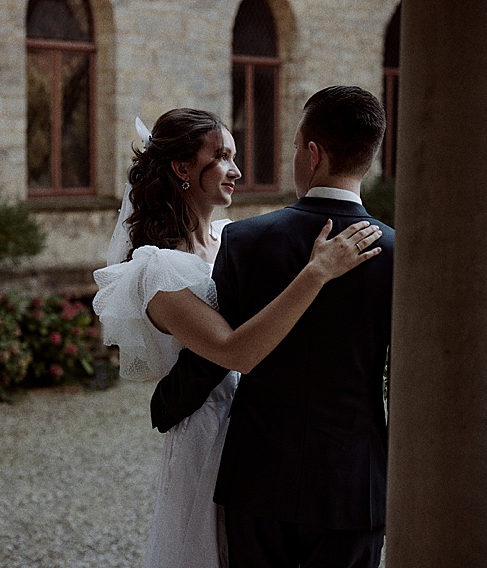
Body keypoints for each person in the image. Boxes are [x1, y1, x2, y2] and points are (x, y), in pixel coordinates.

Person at [91, 108, 383, 568]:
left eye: (234, 156)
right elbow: (235, 352)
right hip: (210, 430)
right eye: (222, 157)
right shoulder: (155, 269)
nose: (237, 170)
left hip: (267, 428)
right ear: (182, 168)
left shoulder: (236, 237)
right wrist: (318, 272)